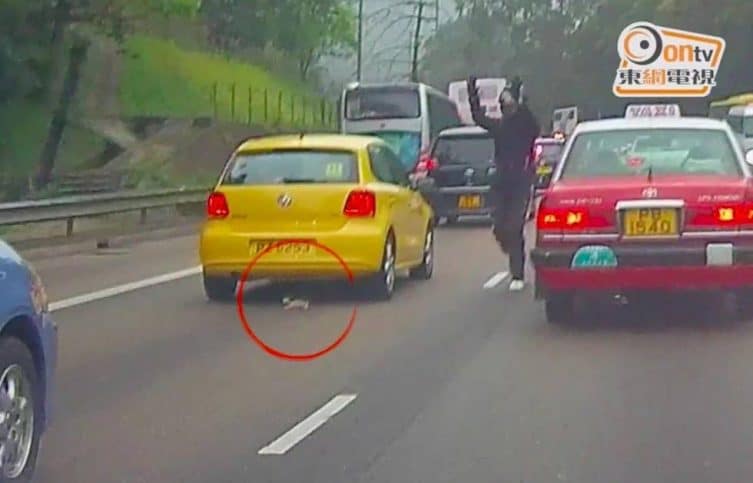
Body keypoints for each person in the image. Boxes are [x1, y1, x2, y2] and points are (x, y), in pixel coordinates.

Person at [467, 75, 540, 291]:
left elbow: (533, 125)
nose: (504, 108)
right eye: (502, 105)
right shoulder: (499, 127)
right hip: (501, 182)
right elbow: (479, 117)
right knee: (500, 226)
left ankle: (517, 273)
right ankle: (510, 248)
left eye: (508, 104)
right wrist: (473, 93)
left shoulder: (526, 126)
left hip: (521, 181)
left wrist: (519, 95)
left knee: (515, 226)